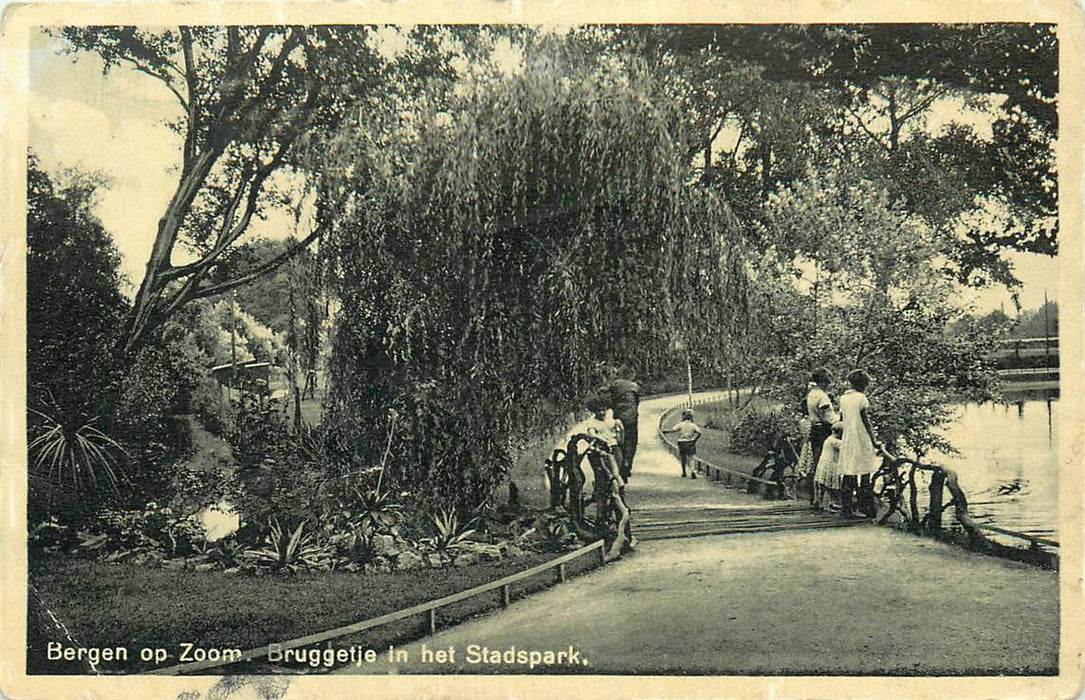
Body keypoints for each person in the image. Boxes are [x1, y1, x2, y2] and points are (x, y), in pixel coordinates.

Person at [837, 369, 883, 518]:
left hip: (848, 437)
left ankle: (846, 507)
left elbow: (842, 419)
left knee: (848, 471)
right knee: (864, 472)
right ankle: (865, 506)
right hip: (860, 437)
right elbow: (866, 422)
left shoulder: (843, 398)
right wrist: (874, 441)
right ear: (863, 385)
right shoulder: (861, 398)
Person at [804, 369, 839, 505]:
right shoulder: (823, 397)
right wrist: (840, 419)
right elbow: (829, 417)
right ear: (824, 381)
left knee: (817, 464)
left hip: (814, 429)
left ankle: (815, 498)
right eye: (828, 381)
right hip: (824, 430)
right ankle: (829, 499)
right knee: (827, 465)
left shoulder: (811, 394)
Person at [608, 373, 641, 482]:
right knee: (631, 443)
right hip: (631, 419)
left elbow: (611, 401)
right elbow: (637, 403)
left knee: (619, 442)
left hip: (619, 417)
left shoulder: (615, 385)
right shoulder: (635, 387)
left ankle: (620, 465)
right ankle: (627, 465)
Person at [813, 421, 844, 511]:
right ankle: (826, 506)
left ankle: (824, 503)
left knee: (824, 486)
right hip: (831, 464)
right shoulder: (835, 442)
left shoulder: (828, 439)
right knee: (829, 487)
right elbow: (845, 449)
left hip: (824, 463)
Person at [663, 408, 702, 478]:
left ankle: (684, 472)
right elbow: (699, 432)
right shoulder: (693, 425)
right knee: (691, 458)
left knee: (683, 457)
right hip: (690, 442)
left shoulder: (681, 424)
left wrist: (665, 431)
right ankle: (693, 472)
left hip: (682, 443)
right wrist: (695, 439)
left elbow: (673, 430)